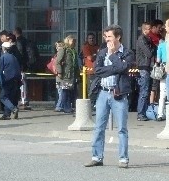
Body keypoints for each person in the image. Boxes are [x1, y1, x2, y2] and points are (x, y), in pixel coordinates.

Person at [85, 25, 135, 168]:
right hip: (103, 92)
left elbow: (124, 68)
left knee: (122, 128)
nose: (107, 40)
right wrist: (114, 69)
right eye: (106, 37)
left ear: (118, 37)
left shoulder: (127, 52)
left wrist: (113, 54)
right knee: (99, 127)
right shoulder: (101, 52)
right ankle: (96, 157)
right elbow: (97, 70)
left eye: (110, 37)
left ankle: (123, 159)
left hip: (118, 93)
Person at [135, 22, 156, 121]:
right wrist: (154, 49)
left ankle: (145, 111)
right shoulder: (141, 39)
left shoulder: (148, 39)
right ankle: (140, 113)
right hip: (143, 67)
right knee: (144, 90)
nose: (150, 30)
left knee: (147, 90)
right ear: (144, 30)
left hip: (148, 67)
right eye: (148, 29)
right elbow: (148, 53)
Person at [0, 41, 22, 120]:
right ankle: (6, 114)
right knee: (10, 97)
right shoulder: (14, 57)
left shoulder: (2, 58)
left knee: (3, 97)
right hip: (16, 80)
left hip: (7, 80)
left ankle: (13, 109)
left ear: (3, 49)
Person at [57, 35, 79, 114]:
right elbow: (58, 62)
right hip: (65, 75)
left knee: (70, 91)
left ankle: (68, 107)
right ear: (68, 41)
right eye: (73, 41)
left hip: (72, 75)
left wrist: (78, 75)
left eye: (75, 41)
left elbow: (75, 64)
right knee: (65, 91)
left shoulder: (73, 51)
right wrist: (59, 72)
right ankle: (65, 107)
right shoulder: (63, 50)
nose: (74, 43)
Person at [155, 28, 168, 121]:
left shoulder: (161, 45)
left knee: (162, 92)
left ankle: (160, 114)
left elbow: (158, 60)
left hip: (163, 68)